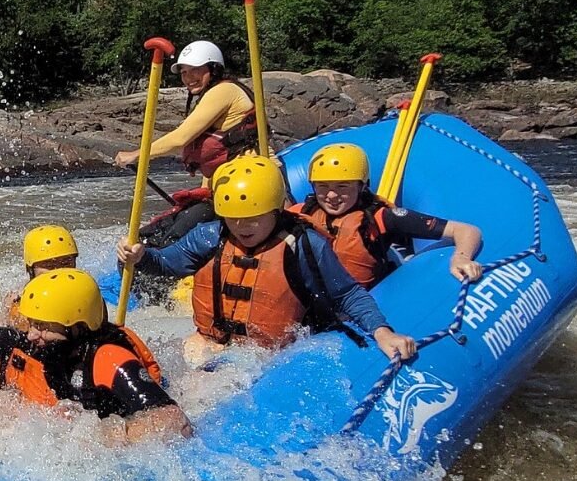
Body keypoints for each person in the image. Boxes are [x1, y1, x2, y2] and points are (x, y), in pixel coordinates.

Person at [117, 155, 417, 363]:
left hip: (267, 357)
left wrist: (382, 332)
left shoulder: (304, 245)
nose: (242, 227)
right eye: (234, 219)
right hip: (208, 343)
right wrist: (142, 256)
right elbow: (167, 263)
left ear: (275, 211)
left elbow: (348, 295)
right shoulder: (210, 235)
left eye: (253, 219)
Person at [0, 269, 192, 445]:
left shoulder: (108, 358)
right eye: (32, 324)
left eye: (42, 327)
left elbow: (173, 419)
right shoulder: (51, 346)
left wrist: (103, 437)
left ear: (76, 325)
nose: (31, 335)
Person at [113, 40, 260, 244]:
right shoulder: (213, 93)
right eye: (184, 72)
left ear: (213, 69)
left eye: (195, 70)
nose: (188, 78)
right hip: (226, 184)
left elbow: (181, 137)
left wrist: (138, 154)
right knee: (146, 236)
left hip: (248, 183)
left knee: (164, 242)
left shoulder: (224, 91)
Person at [293, 143, 483, 288]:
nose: (332, 195)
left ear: (361, 186)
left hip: (362, 299)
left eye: (342, 186)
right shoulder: (302, 212)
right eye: (323, 187)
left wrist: (461, 258)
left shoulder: (384, 217)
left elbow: (466, 230)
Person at [0, 224, 79, 331]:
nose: (58, 271)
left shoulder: (88, 293)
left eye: (66, 263)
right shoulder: (19, 305)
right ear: (30, 270)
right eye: (49, 266)